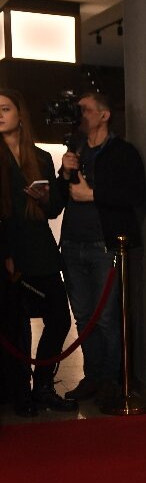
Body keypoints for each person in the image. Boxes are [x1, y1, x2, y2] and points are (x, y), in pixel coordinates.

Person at [58, 91, 146, 405]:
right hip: (72, 244)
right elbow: (60, 198)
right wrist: (64, 173)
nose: (79, 115)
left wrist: (93, 195)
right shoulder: (76, 148)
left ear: (104, 115)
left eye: (85, 109)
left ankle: (111, 379)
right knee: (84, 317)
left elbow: (135, 195)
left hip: (104, 245)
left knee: (107, 318)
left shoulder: (123, 151)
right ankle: (92, 377)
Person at [0, 88, 76, 416]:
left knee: (59, 319)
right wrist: (5, 253)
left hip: (40, 250)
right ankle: (20, 394)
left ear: (20, 115)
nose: (0, 114)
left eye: (5, 108)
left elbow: (54, 208)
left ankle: (43, 386)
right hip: (7, 251)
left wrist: (50, 191)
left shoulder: (40, 157)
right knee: (15, 328)